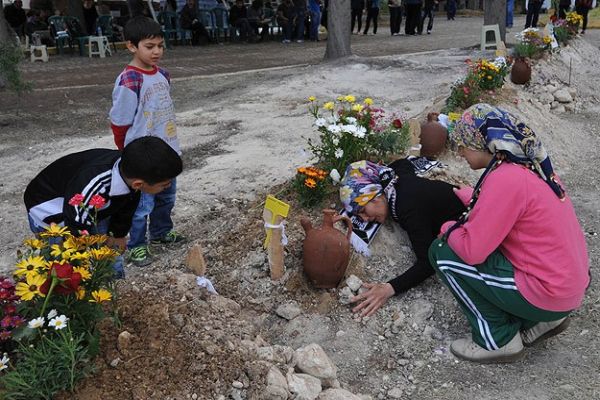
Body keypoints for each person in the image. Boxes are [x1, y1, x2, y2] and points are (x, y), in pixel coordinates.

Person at [428, 103, 589, 363]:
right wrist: (473, 196)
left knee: (443, 252)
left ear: (483, 143)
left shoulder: (505, 179)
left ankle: (497, 340)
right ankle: (541, 320)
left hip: (548, 292)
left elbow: (472, 251)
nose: (459, 152)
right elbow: (512, 208)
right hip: (568, 288)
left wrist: (448, 228)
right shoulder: (531, 166)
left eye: (463, 144)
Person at [24, 137, 183, 278]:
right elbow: (75, 227)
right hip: (53, 211)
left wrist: (119, 234)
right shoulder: (96, 184)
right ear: (139, 184)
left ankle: (113, 287)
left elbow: (129, 201)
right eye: (164, 185)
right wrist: (82, 264)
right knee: (65, 270)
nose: (168, 187)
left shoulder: (130, 171)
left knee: (110, 251)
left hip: (90, 208)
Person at [340, 159, 466, 317]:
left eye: (363, 210)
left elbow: (429, 262)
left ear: (377, 196)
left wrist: (388, 289)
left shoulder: (406, 206)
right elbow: (402, 163)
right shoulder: (396, 180)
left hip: (474, 229)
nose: (364, 219)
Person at [109, 16, 185, 267]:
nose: (157, 52)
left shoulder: (162, 75)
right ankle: (137, 244)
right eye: (149, 46)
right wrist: (127, 153)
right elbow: (120, 122)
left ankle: (162, 232)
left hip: (166, 151)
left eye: (160, 46)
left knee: (167, 197)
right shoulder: (130, 80)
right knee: (141, 205)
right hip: (142, 157)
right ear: (131, 46)